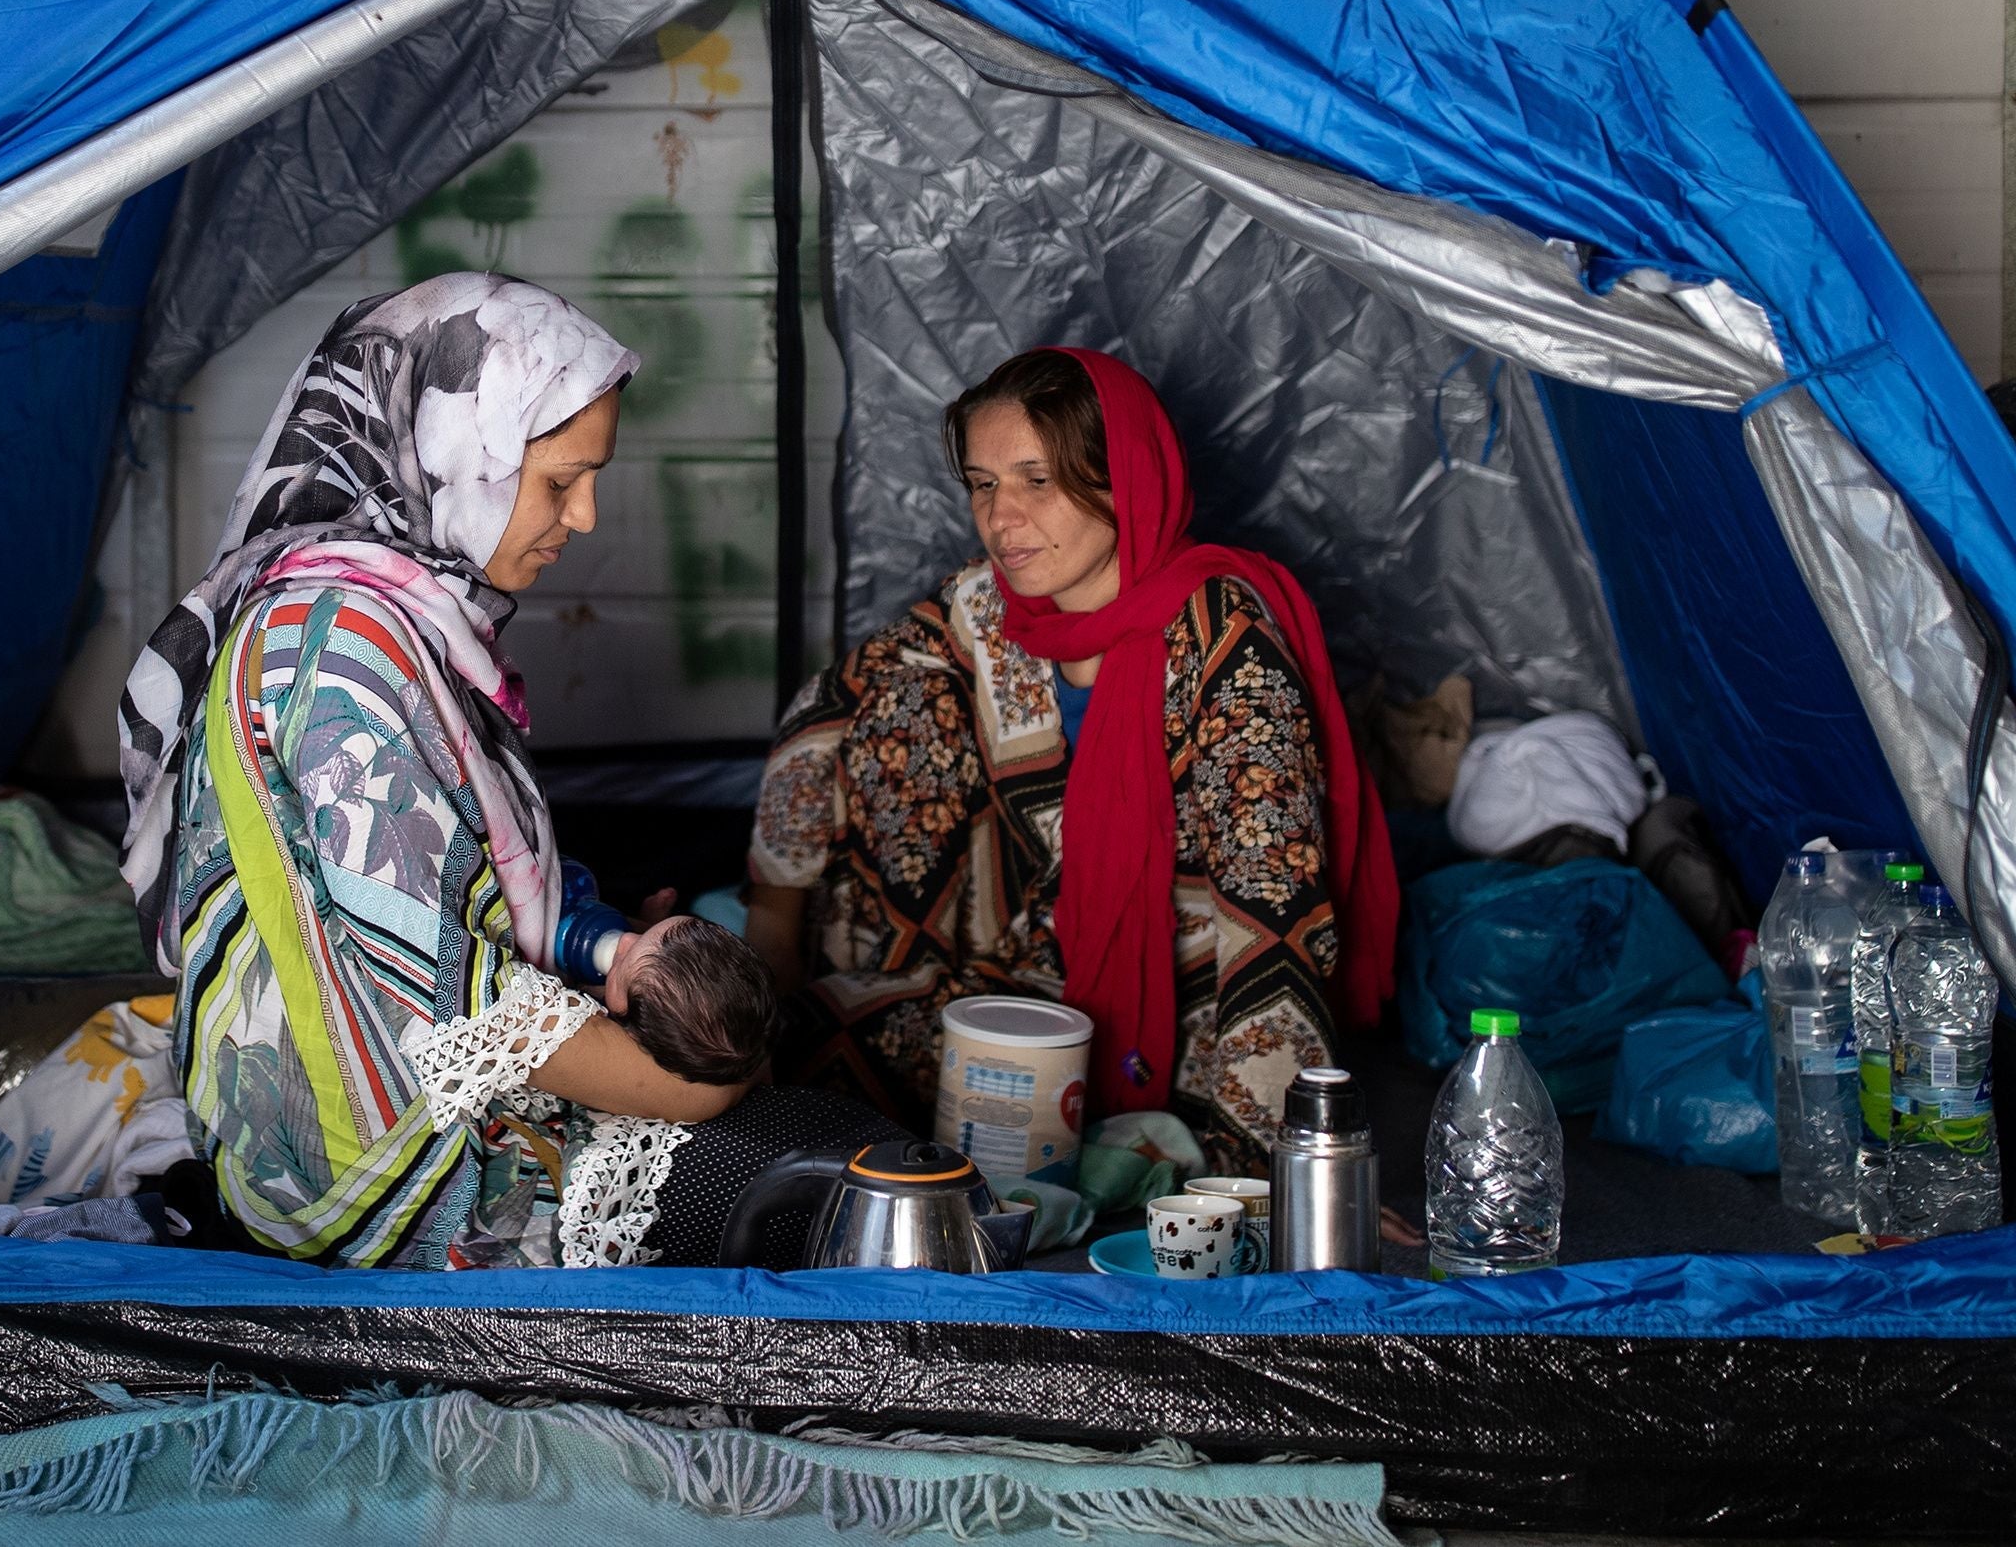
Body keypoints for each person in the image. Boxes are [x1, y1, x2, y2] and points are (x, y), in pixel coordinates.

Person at [119, 274, 775, 1269]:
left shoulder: (404, 617)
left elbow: (452, 887)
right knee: (769, 1175)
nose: (586, 515)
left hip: (383, 1096)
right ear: (455, 454)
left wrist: (602, 948)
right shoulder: (334, 645)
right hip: (356, 1172)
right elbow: (451, 1000)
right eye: (558, 480)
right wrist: (693, 1090)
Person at [745, 347, 1399, 1170]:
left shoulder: (1222, 634)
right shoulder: (989, 608)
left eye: (1038, 480)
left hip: (1196, 1011)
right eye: (983, 483)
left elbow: (1275, 905)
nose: (1002, 517)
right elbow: (827, 711)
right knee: (801, 1032)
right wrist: (769, 931)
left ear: (1122, 475)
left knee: (1201, 1161)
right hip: (1040, 976)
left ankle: (1172, 1141)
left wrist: (1284, 1168)